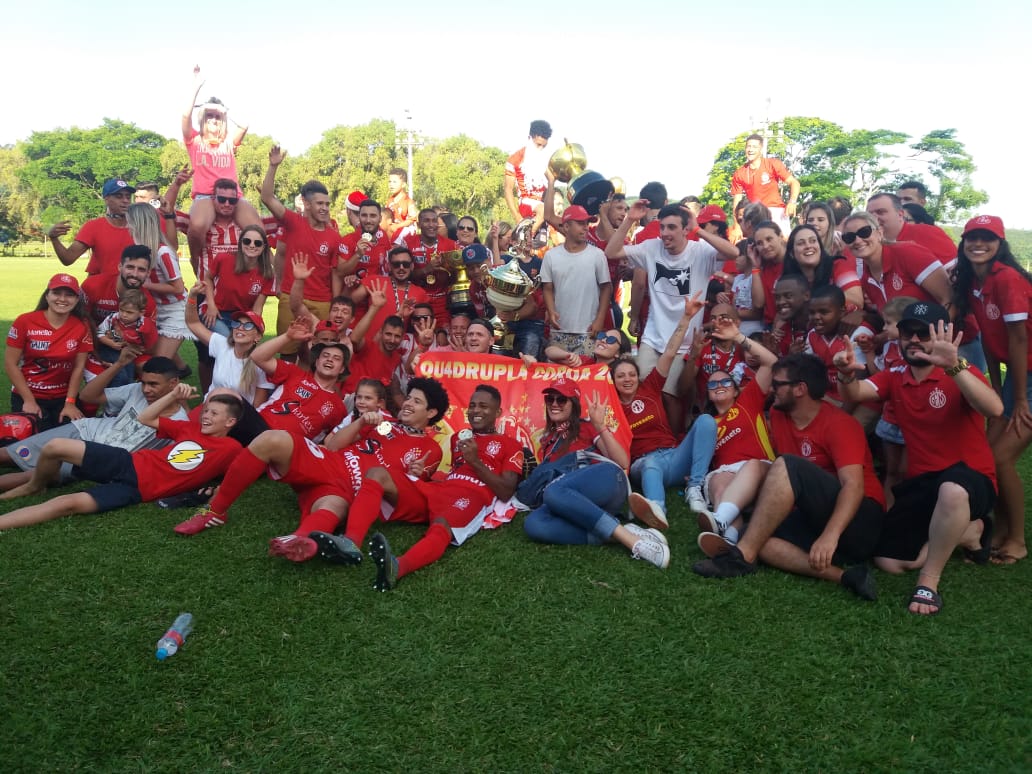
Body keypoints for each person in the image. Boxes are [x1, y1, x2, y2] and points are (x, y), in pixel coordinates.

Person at [835, 303, 1003, 614]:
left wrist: (954, 366)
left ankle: (928, 584)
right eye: (907, 332)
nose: (913, 339)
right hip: (924, 484)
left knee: (952, 489)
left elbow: (994, 409)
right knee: (889, 561)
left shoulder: (959, 370)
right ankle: (968, 531)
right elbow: (857, 393)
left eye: (923, 333)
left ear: (941, 334)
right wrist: (845, 374)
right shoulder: (896, 374)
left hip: (971, 479)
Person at [693, 353, 886, 603]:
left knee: (788, 465)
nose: (772, 389)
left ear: (800, 389)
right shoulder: (780, 415)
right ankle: (845, 576)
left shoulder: (840, 424)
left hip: (860, 520)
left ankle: (740, 559)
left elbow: (854, 486)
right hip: (816, 513)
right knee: (757, 535)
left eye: (778, 384)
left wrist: (830, 535)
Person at [333, 385, 523, 590]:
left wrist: (475, 462)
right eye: (473, 405)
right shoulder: (458, 437)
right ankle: (351, 541)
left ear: (498, 413)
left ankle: (397, 567)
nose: (476, 411)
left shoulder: (511, 445)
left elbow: (506, 490)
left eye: (484, 406)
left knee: (441, 525)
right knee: (377, 473)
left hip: (473, 495)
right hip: (440, 488)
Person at [0, 384, 243, 530]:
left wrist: (216, 490)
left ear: (230, 421)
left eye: (214, 413)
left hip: (137, 491)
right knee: (56, 446)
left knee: (67, 504)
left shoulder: (231, 448)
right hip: (128, 461)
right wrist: (172, 397)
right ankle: (34, 486)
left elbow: (242, 473)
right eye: (206, 411)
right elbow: (144, 419)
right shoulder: (188, 429)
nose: (206, 416)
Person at [607, 201, 738, 432]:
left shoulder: (700, 251)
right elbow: (612, 252)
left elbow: (733, 253)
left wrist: (698, 229)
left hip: (685, 342)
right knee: (644, 391)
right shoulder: (651, 247)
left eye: (672, 228)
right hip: (653, 338)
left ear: (685, 229)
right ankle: (652, 438)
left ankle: (675, 441)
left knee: (671, 396)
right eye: (662, 227)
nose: (665, 233)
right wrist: (630, 220)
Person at [522, 376, 669, 568]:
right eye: (550, 399)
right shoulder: (547, 442)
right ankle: (623, 532)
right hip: (575, 501)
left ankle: (635, 544)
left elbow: (622, 461)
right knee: (534, 523)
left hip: (605, 480)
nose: (554, 404)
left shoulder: (585, 427)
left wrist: (600, 426)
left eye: (561, 399)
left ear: (573, 404)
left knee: (554, 491)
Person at [951, 216, 1030, 565]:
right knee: (985, 455)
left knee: (1000, 458)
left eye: (987, 238)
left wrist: (1021, 401)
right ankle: (998, 530)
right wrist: (998, 394)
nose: (978, 244)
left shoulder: (1008, 278)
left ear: (1000, 243)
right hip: (1014, 378)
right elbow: (989, 340)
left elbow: (1018, 339)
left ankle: (1017, 539)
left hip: (1029, 378)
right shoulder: (973, 282)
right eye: (972, 238)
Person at [0, 356, 185, 492]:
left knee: (32, 474)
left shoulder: (179, 422)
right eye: (143, 383)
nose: (146, 390)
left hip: (97, 457)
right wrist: (119, 364)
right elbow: (88, 396)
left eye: (153, 384)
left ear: (173, 383)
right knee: (8, 453)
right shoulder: (136, 390)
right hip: (86, 429)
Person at [613, 294, 717, 528]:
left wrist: (687, 317)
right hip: (644, 463)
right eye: (621, 376)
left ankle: (694, 488)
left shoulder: (649, 386)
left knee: (707, 421)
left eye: (631, 374)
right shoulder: (612, 406)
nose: (627, 379)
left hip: (674, 455)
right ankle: (657, 510)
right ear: (614, 382)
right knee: (650, 464)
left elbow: (670, 352)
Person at [261, 146, 345, 353]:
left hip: (323, 301)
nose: (324, 208)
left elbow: (334, 272)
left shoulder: (334, 235)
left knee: (319, 354)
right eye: (319, 203)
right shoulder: (294, 222)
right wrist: (273, 167)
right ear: (307, 204)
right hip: (292, 297)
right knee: (288, 353)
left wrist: (334, 301)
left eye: (327, 203)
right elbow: (267, 198)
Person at [182, 67, 260, 267]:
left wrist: (223, 109)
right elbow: (185, 116)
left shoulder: (228, 142)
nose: (214, 120)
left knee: (256, 229)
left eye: (217, 117)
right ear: (203, 120)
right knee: (197, 226)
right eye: (209, 116)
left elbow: (245, 124)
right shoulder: (194, 140)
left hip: (233, 195)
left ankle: (255, 270)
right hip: (205, 195)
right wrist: (195, 87)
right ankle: (196, 260)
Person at [5, 273, 92, 430]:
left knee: (70, 441)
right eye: (56, 293)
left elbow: (79, 367)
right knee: (27, 444)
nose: (62, 299)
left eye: (69, 295)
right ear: (47, 295)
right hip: (28, 394)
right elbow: (10, 363)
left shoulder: (81, 326)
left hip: (63, 397)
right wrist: (29, 400)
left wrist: (70, 403)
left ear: (77, 299)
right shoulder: (24, 321)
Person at [841, 211, 951, 312]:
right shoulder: (867, 277)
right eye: (849, 237)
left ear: (879, 232)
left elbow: (949, 299)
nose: (857, 241)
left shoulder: (908, 253)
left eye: (864, 232)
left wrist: (937, 331)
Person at [541, 205, 612, 356]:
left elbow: (606, 288)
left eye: (587, 223)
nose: (586, 228)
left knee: (585, 376)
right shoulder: (551, 256)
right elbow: (547, 287)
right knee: (558, 376)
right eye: (580, 223)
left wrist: (599, 319)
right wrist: (551, 310)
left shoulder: (597, 255)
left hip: (588, 331)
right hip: (559, 330)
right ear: (566, 226)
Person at [185, 286, 272, 405]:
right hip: (210, 408)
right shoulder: (222, 344)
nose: (240, 328)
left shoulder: (261, 362)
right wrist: (192, 296)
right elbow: (193, 323)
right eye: (237, 323)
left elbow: (258, 406)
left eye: (248, 326)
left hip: (239, 416)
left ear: (258, 337)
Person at [126, 204, 190, 363]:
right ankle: (180, 371)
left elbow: (178, 287)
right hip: (158, 309)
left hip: (176, 310)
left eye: (130, 222)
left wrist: (146, 285)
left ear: (139, 224)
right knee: (150, 355)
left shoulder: (163, 252)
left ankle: (173, 380)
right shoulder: (142, 250)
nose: (127, 226)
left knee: (158, 363)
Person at [46, 178, 135, 276]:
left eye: (128, 196)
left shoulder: (140, 228)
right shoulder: (93, 227)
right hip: (100, 288)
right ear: (106, 199)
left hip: (130, 289)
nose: (125, 200)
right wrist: (54, 239)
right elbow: (68, 259)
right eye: (119, 196)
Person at [84, 288, 158, 387]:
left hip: (129, 352)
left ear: (141, 312)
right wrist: (111, 343)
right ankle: (115, 396)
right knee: (120, 375)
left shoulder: (144, 325)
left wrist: (134, 346)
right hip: (109, 350)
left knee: (129, 372)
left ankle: (127, 392)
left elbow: (150, 345)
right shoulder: (112, 318)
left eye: (129, 312)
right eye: (121, 310)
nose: (124, 315)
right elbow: (99, 333)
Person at [781, 224, 862, 311]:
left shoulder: (838, 265)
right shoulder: (788, 278)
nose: (808, 246)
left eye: (813, 241)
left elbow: (857, 301)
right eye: (801, 243)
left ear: (820, 246)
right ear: (791, 253)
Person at [730, 134, 800, 231]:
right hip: (755, 213)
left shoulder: (772, 164)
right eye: (748, 146)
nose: (750, 150)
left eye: (754, 147)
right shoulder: (739, 173)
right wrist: (737, 226)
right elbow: (737, 202)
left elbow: (794, 182)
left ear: (761, 149)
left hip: (776, 211)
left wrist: (792, 202)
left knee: (782, 242)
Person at [866, 193, 955, 262]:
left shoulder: (926, 233)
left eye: (881, 212)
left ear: (900, 214)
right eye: (869, 214)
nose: (874, 218)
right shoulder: (865, 242)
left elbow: (956, 271)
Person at [504, 120, 552, 228]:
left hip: (544, 206)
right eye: (538, 145)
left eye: (543, 147)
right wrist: (517, 217)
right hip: (526, 203)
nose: (540, 149)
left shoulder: (547, 162)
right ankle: (525, 238)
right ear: (529, 138)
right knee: (544, 211)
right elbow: (508, 189)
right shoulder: (515, 159)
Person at [385, 168, 417, 238]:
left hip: (404, 234)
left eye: (394, 182)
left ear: (403, 184)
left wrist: (397, 226)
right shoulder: (389, 200)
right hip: (391, 232)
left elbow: (412, 219)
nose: (391, 185)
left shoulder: (408, 201)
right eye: (390, 182)